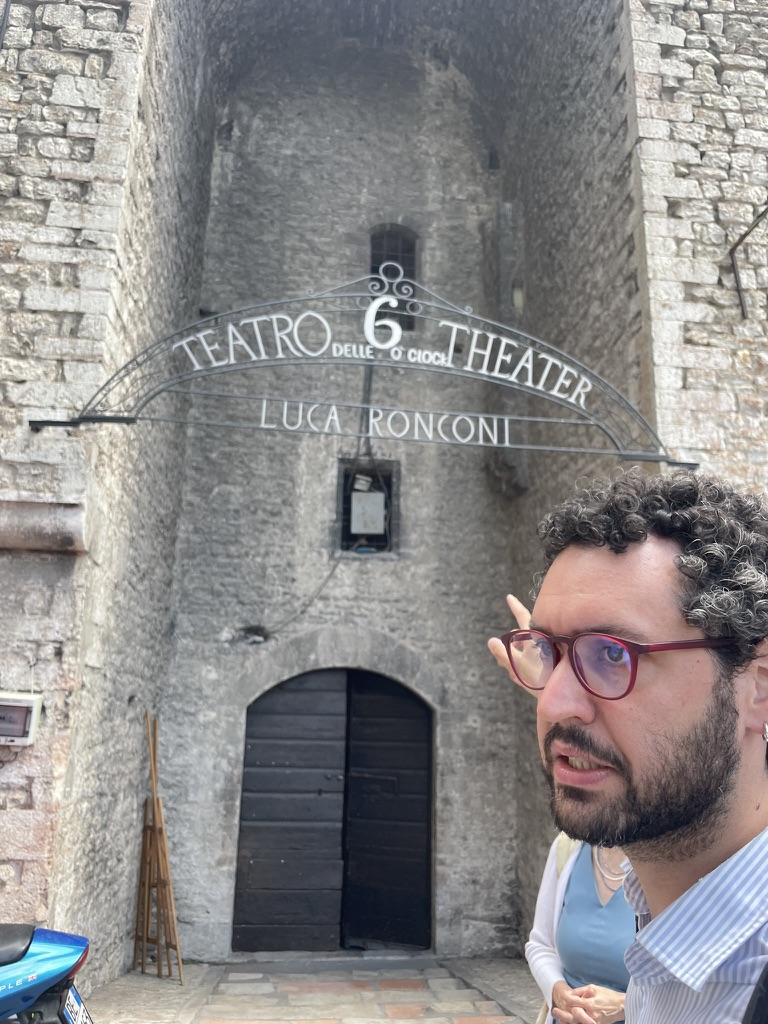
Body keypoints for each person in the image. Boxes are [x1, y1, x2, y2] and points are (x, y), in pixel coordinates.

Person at [493, 470, 768, 1023]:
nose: (553, 703)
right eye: (547, 652)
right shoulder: (658, 933)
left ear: (758, 688)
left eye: (613, 653)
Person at [491, 598, 635, 1024]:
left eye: (613, 655)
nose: (554, 706)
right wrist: (559, 993)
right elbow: (540, 944)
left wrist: (626, 1006)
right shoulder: (570, 848)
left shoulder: (675, 861)